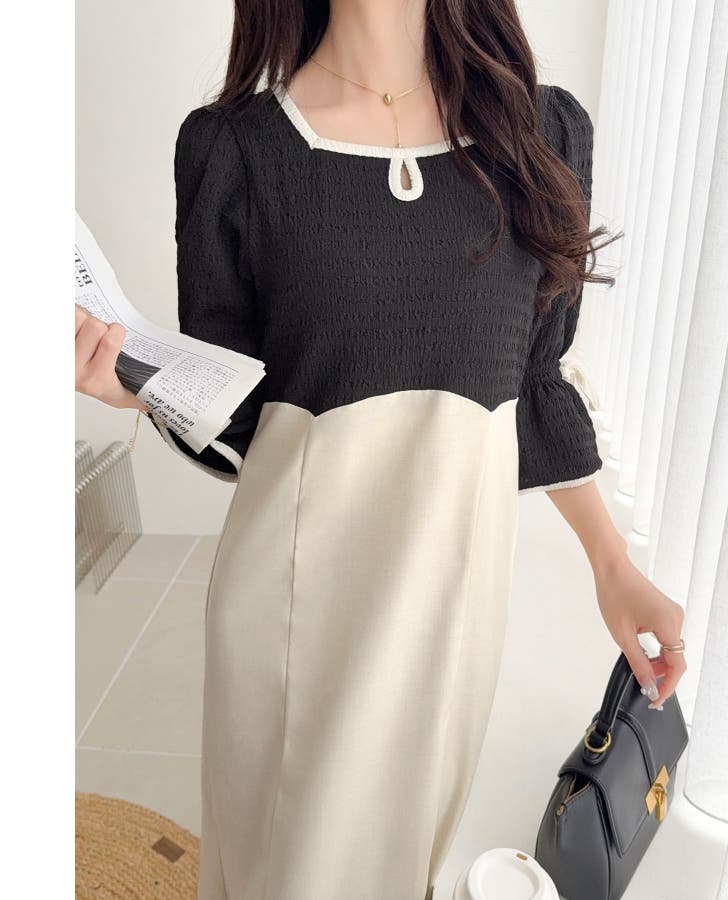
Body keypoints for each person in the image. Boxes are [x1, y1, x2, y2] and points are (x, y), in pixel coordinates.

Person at [74, 2, 686, 897]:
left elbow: (535, 380)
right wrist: (134, 384)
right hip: (291, 615)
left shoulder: (542, 135)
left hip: (453, 611)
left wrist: (612, 565)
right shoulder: (235, 151)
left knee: (401, 863)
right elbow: (244, 420)